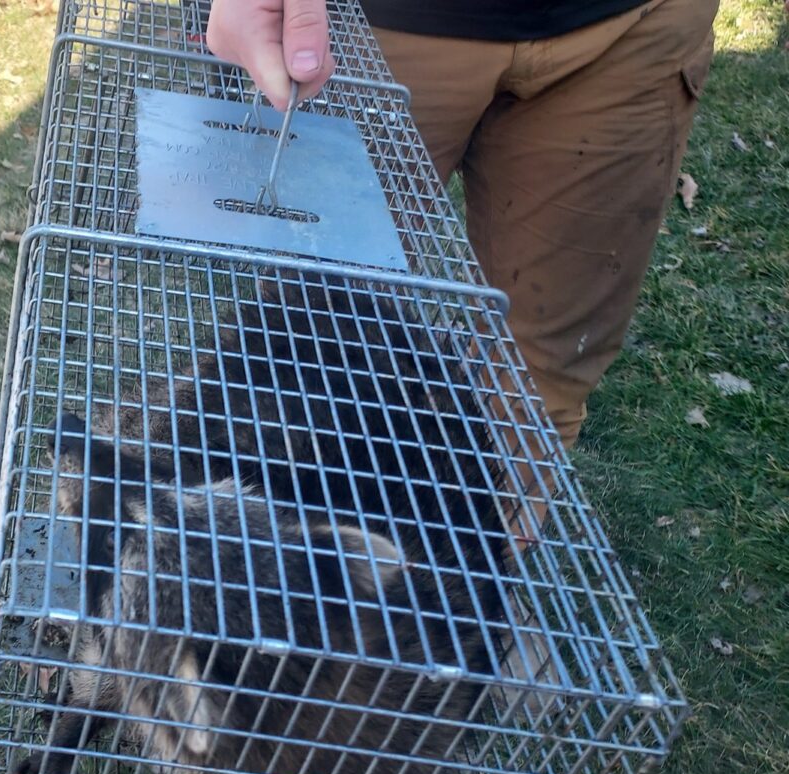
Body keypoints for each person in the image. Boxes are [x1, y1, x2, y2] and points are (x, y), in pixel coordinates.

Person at [206, 0, 719, 449]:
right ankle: (319, 548)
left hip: (632, 30)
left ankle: (477, 555)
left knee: (536, 378)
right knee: (305, 341)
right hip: (372, 27)